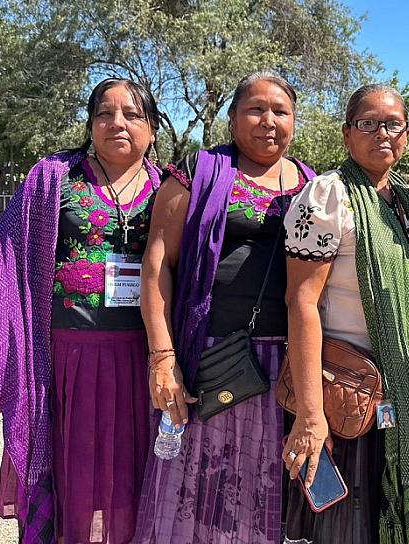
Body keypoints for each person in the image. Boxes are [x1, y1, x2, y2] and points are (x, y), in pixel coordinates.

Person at [133, 72, 314, 543]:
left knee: (268, 494)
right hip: (209, 360)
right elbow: (157, 267)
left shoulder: (312, 185)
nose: (268, 121)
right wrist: (163, 358)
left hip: (287, 368)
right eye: (255, 109)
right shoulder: (197, 172)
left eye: (281, 111)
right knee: (197, 495)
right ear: (232, 118)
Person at [0, 77, 162, 543]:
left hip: (142, 362)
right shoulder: (53, 178)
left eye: (132, 114)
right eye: (104, 113)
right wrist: (10, 359)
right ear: (89, 124)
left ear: (153, 129)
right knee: (74, 475)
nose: (117, 123)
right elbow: (11, 261)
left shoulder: (168, 189)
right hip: (66, 362)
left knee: (135, 477)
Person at [282, 84, 409, 543]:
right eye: (367, 123)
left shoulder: (408, 202)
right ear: (347, 135)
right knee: (346, 526)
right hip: (345, 396)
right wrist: (311, 415)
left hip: (403, 390)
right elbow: (301, 302)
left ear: (406, 135)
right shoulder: (327, 196)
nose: (381, 133)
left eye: (393, 124)